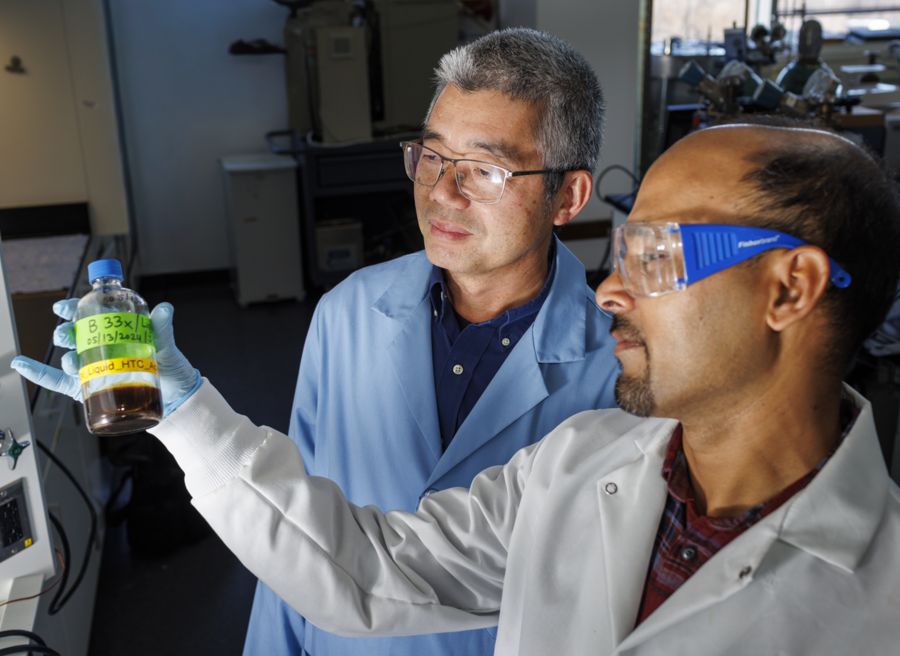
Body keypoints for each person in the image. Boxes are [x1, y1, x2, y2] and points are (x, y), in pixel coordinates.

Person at [16, 122, 900, 654]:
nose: (609, 290)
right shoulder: (579, 464)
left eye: (658, 254)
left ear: (791, 288)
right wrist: (184, 414)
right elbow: (366, 568)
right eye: (621, 250)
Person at [16, 28, 619, 656]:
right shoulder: (349, 311)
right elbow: (294, 509)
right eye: (433, 157)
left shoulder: (621, 372)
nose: (441, 192)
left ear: (568, 196)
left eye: (486, 171)